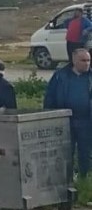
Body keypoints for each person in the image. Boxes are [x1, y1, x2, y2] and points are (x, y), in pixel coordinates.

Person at [44, 46, 92, 182]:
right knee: (65, 152)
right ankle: (65, 180)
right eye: (83, 60)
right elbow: (50, 98)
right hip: (65, 121)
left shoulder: (90, 77)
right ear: (74, 60)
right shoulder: (61, 76)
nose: (87, 63)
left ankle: (84, 179)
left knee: (85, 152)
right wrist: (49, 117)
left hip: (86, 121)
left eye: (88, 60)